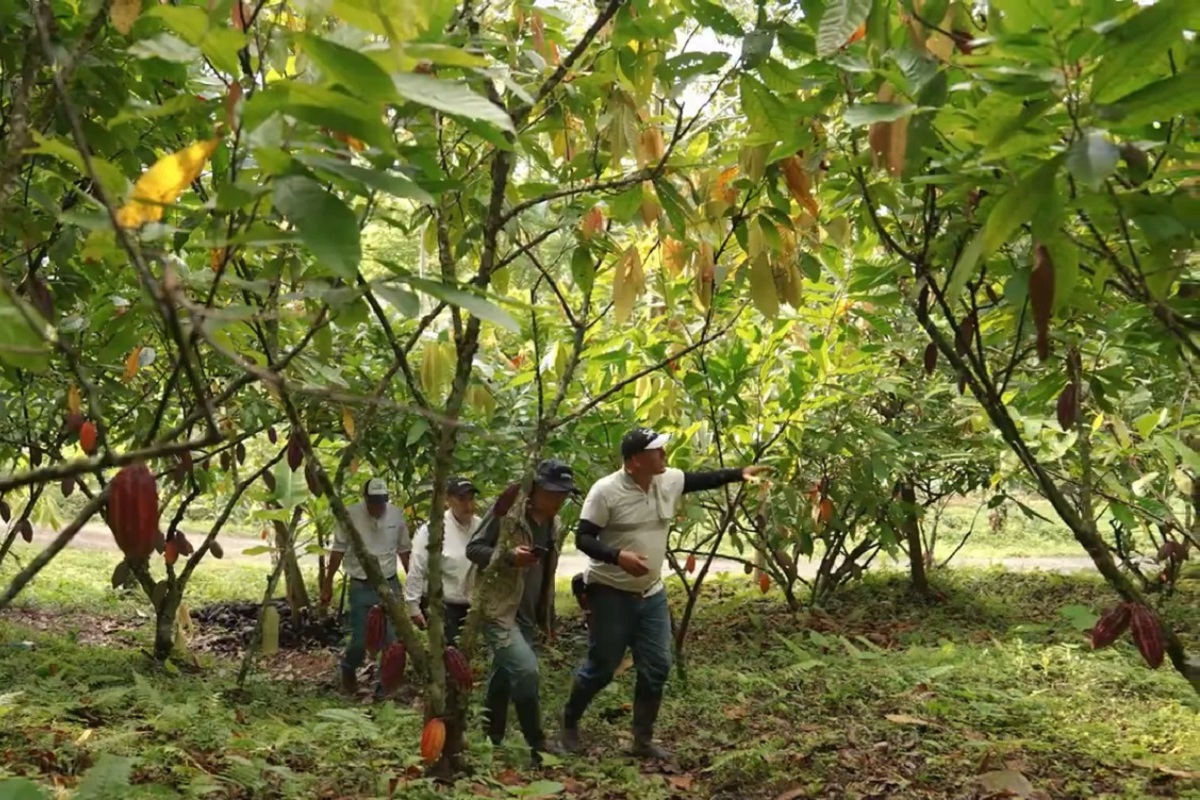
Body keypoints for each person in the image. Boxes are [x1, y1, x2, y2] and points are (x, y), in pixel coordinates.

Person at [560, 428, 770, 759]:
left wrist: (738, 474)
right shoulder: (605, 492)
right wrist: (618, 557)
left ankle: (641, 741)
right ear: (633, 462)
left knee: (657, 665)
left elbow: (701, 479)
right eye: (656, 450)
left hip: (651, 593)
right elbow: (583, 539)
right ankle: (569, 723)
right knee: (603, 666)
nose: (664, 454)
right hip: (609, 592)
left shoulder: (667, 479)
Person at [465, 458, 577, 765]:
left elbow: (548, 577)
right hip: (497, 609)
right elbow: (474, 549)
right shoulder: (508, 516)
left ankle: (492, 738)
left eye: (564, 494)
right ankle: (537, 744)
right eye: (553, 492)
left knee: (504, 675)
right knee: (526, 670)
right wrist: (509, 556)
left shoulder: (553, 525)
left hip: (526, 614)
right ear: (536, 489)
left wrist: (547, 616)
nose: (559, 500)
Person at [320, 477, 412, 696]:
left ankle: (385, 689)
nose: (378, 507)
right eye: (373, 502)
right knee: (361, 640)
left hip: (389, 582)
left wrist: (415, 584)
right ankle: (349, 668)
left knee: (392, 641)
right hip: (361, 584)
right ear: (365, 499)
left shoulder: (396, 515)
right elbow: (338, 550)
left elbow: (404, 551)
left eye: (382, 502)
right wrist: (327, 582)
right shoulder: (350, 516)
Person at [404, 476, 480, 646]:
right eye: (461, 499)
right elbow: (417, 568)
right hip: (443, 606)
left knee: (466, 653)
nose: (468, 506)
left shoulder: (480, 527)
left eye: (471, 499)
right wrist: (413, 607)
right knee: (448, 654)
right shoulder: (432, 530)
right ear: (448, 501)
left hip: (471, 605)